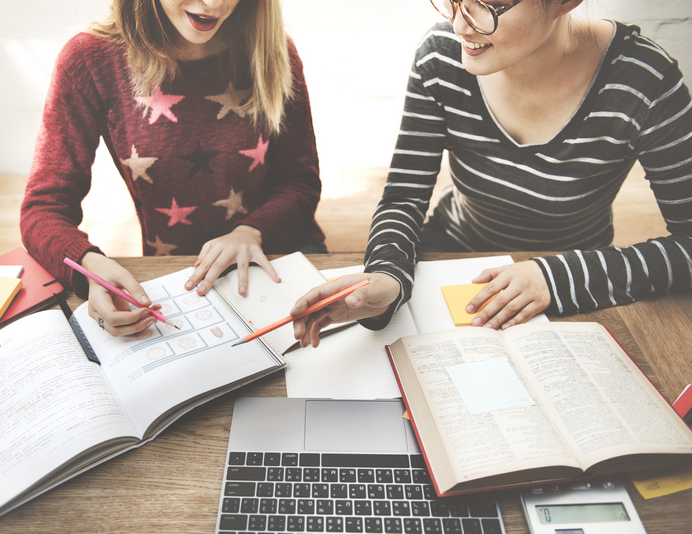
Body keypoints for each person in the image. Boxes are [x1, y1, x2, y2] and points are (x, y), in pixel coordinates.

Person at [292, 0, 692, 347]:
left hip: (576, 274)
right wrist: (387, 275)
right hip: (451, 255)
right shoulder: (442, 57)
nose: (460, 23)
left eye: (489, 4)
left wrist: (554, 278)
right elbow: (404, 196)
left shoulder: (645, 81)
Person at [21, 0, 325, 337]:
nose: (214, 4)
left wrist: (250, 231)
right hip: (177, 276)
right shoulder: (90, 59)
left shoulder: (272, 50)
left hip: (280, 252)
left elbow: (300, 182)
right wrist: (90, 268)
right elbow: (43, 210)